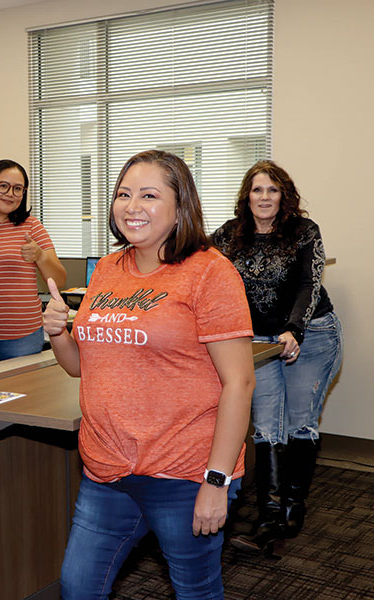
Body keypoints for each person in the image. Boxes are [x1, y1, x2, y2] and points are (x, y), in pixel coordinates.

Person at [44, 150, 255, 599]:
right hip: (107, 469)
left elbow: (240, 382)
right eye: (123, 194)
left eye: (149, 195)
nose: (132, 206)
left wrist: (216, 480)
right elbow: (81, 366)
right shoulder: (107, 269)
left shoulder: (209, 272)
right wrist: (59, 332)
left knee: (196, 591)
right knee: (78, 587)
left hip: (184, 473)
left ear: (181, 206)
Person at [212, 160, 343, 554]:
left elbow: (309, 284)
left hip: (311, 333)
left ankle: (293, 509)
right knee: (267, 424)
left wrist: (295, 329)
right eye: (257, 189)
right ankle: (269, 516)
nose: (264, 197)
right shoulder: (229, 235)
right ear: (246, 196)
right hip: (258, 340)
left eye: (272, 190)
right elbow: (194, 261)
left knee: (300, 422)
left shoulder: (304, 231)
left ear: (284, 196)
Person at [0, 159, 66, 365]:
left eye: (18, 189)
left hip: (24, 337)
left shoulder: (32, 226)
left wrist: (40, 256)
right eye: (3, 186)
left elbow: (60, 279)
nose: (10, 194)